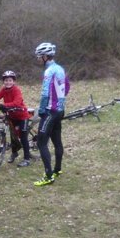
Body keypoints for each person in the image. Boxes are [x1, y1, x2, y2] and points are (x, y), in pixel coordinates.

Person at [33, 42, 69, 187]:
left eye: (39, 56)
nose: (38, 59)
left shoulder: (49, 71)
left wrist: (42, 110)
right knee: (57, 140)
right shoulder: (60, 68)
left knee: (41, 142)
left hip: (50, 111)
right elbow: (67, 86)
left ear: (45, 56)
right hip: (59, 110)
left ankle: (48, 176)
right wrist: (60, 101)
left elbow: (45, 93)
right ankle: (57, 169)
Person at [0, 70, 33, 168]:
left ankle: (27, 159)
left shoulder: (16, 90)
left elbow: (17, 102)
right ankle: (14, 153)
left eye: (10, 80)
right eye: (6, 80)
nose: (8, 82)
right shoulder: (4, 89)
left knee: (23, 137)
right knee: (13, 136)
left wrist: (3, 105)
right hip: (11, 116)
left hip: (22, 116)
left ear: (14, 81)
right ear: (3, 81)